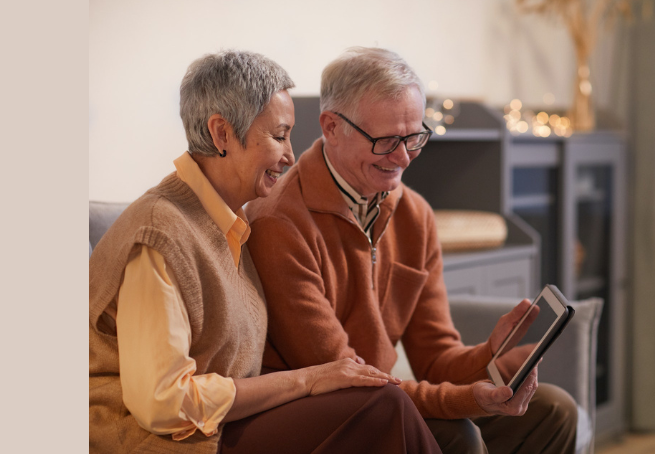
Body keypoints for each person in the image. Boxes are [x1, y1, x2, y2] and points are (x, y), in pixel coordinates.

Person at [89, 50, 442, 454]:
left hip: (223, 424)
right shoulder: (159, 235)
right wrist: (307, 381)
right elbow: (163, 404)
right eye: (278, 136)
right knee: (383, 408)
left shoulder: (228, 224)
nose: (291, 155)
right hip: (153, 439)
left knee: (391, 413)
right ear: (222, 134)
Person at [245, 47, 579, 454]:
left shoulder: (415, 214)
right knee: (458, 435)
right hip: (324, 415)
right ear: (331, 127)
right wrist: (470, 399)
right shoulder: (279, 223)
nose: (404, 158)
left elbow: (436, 359)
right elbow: (351, 379)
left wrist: (493, 354)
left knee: (555, 412)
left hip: (384, 400)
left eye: (414, 137)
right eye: (386, 140)